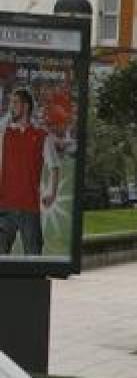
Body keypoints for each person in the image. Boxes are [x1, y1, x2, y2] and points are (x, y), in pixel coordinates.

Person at [0, 88, 60, 256]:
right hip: (4, 207)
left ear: (26, 106)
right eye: (10, 102)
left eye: (15, 102)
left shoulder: (41, 135)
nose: (11, 106)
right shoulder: (5, 133)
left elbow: (54, 166)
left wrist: (51, 192)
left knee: (33, 257)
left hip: (30, 208)